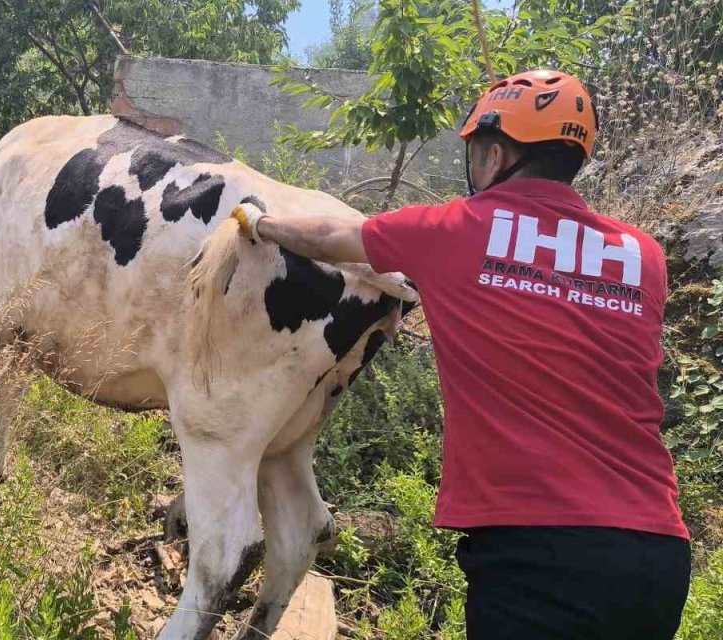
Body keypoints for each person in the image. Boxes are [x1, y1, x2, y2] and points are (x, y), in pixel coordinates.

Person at [231, 70, 691, 639]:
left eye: (476, 153)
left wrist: (261, 221)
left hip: (535, 552)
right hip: (657, 554)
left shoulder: (456, 229)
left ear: (496, 154)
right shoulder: (643, 255)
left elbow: (331, 239)